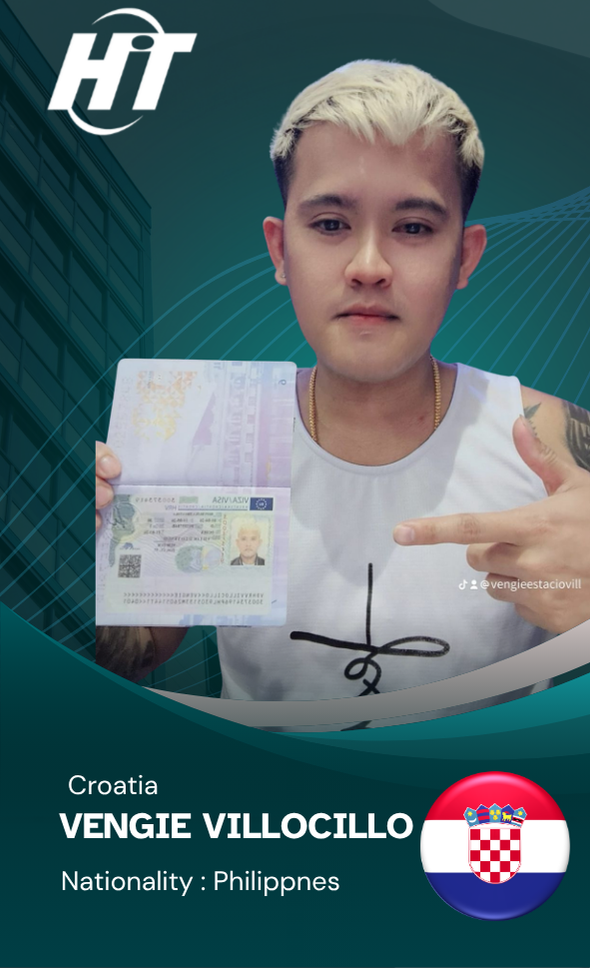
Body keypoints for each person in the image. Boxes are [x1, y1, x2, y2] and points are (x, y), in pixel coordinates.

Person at [96, 60, 590, 706]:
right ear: (280, 250)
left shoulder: (556, 448)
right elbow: (128, 657)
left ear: (464, 257)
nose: (368, 266)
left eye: (413, 228)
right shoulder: (205, 435)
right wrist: (83, 554)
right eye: (331, 224)